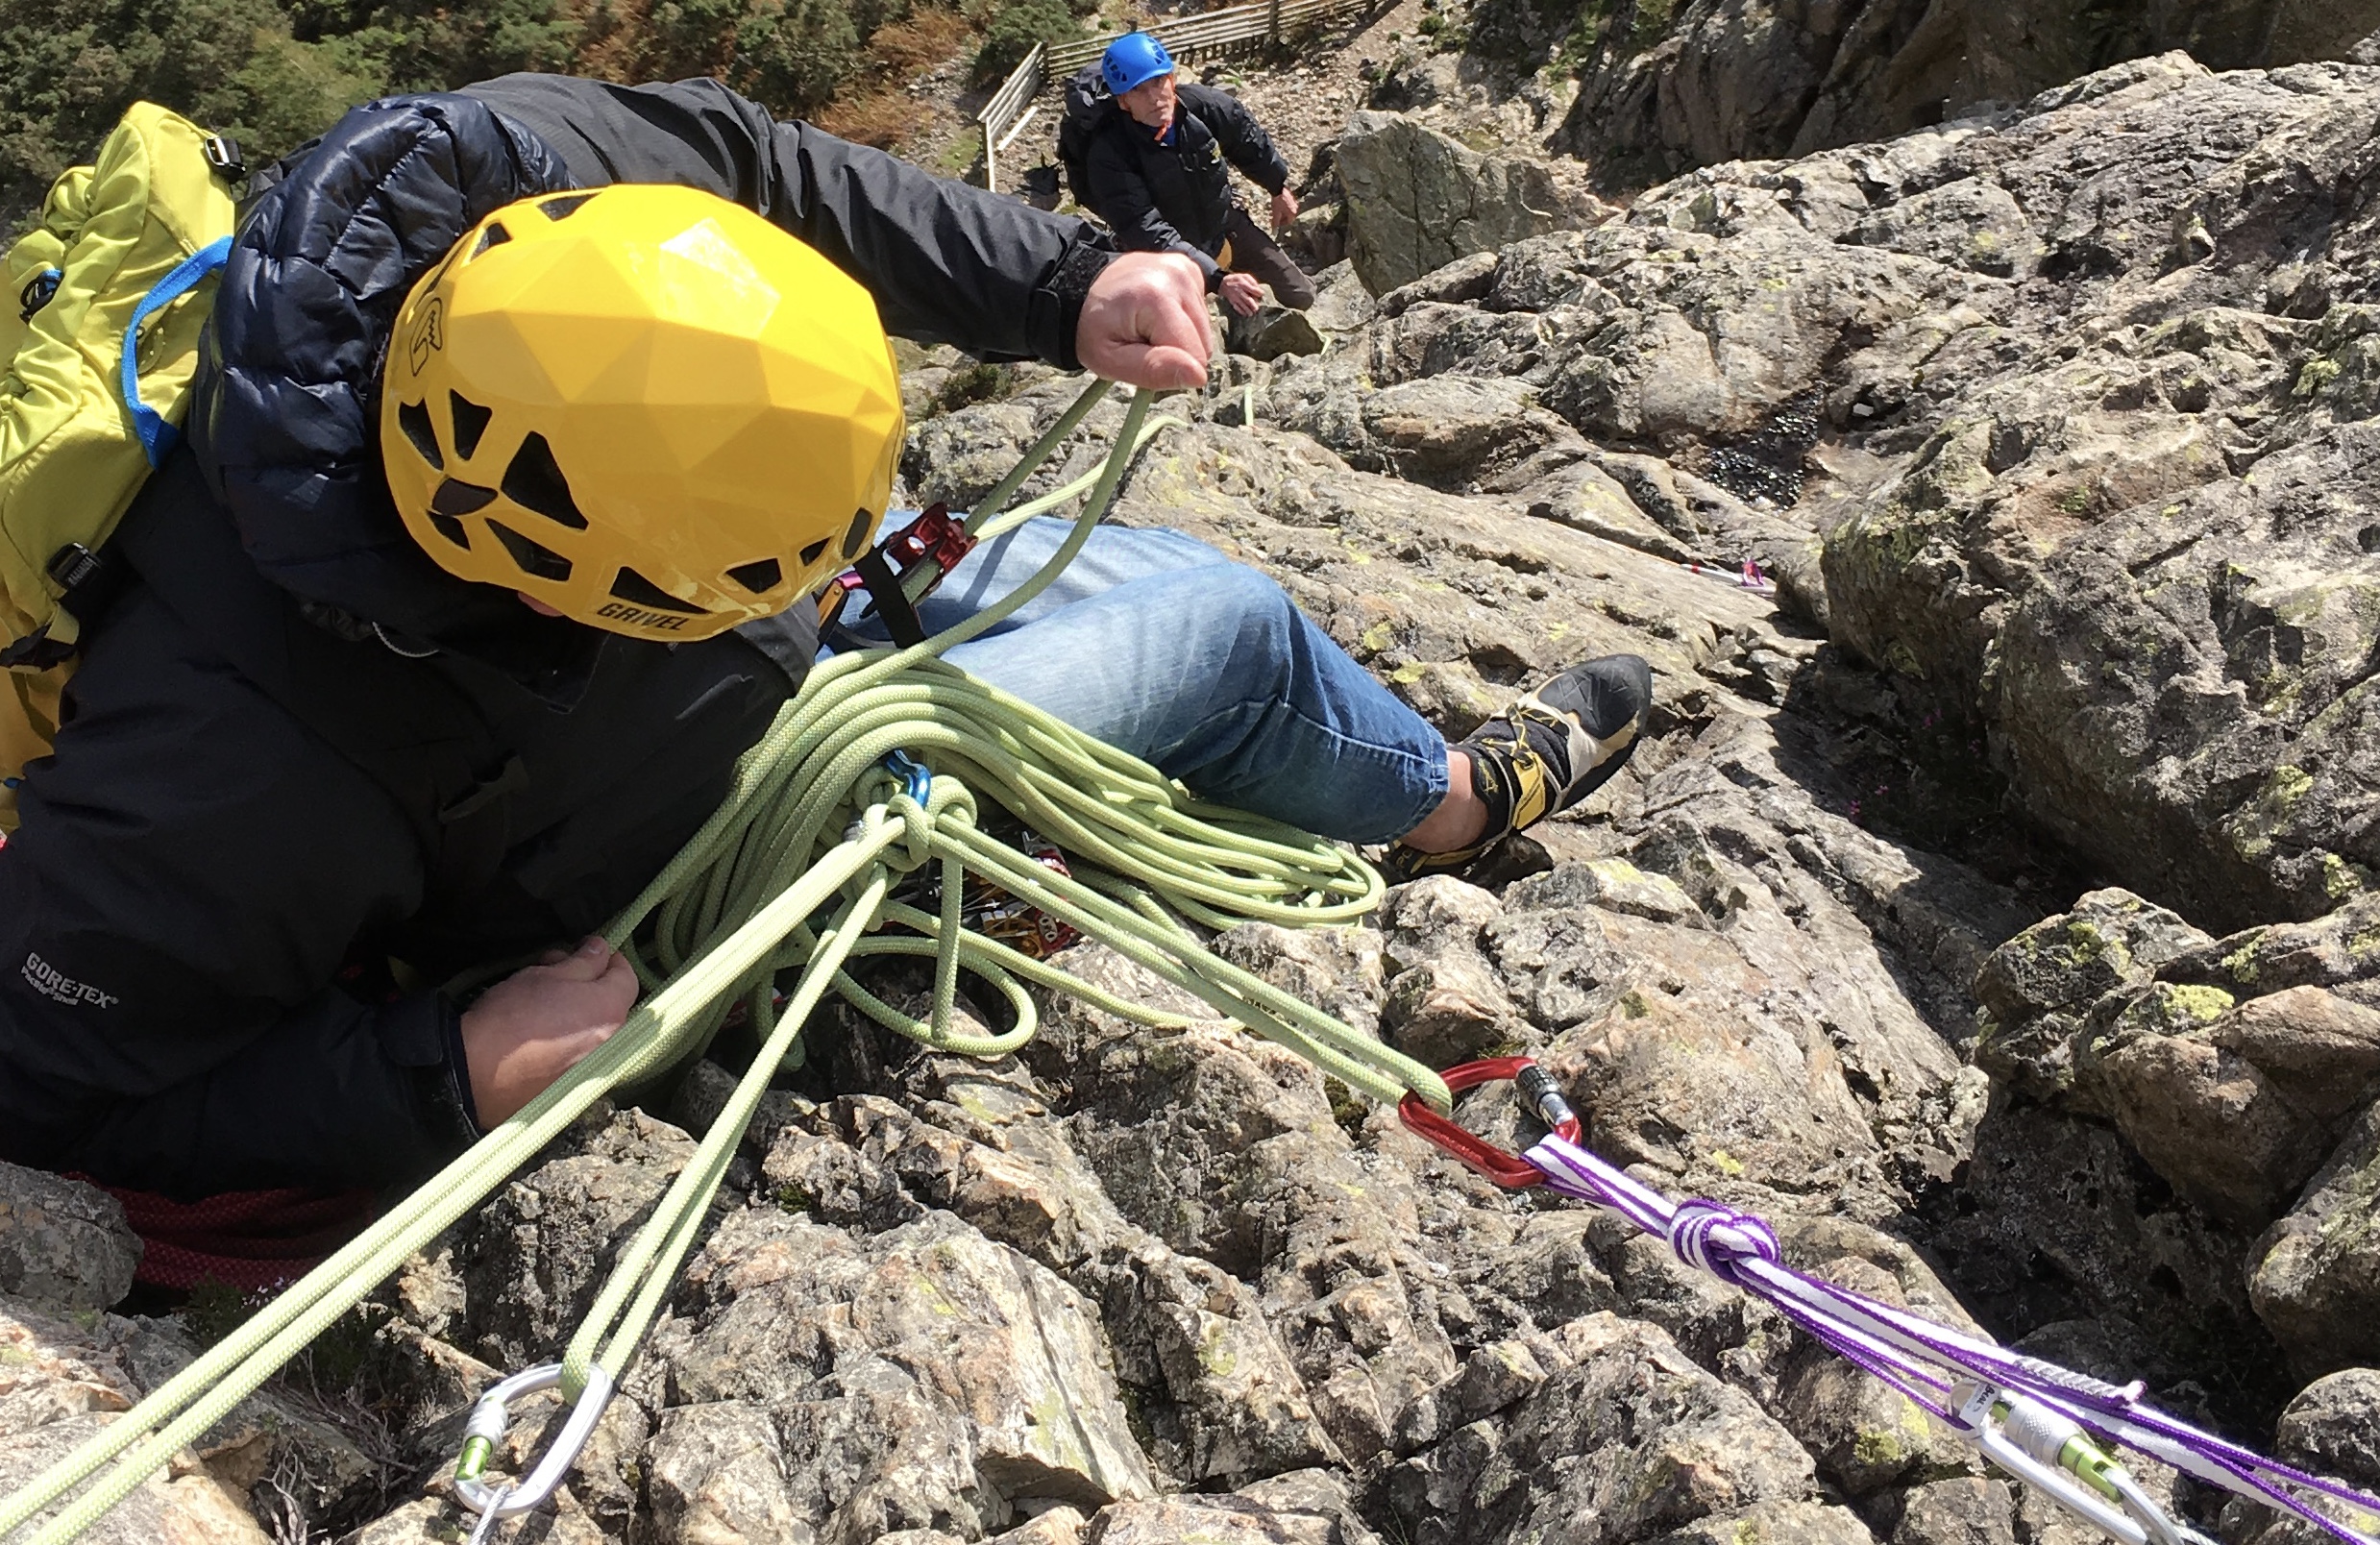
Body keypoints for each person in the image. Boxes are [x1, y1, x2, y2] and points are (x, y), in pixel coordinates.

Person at [0, 73, 1648, 1202]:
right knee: (1206, 619)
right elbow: (58, 1079)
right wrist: (447, 1063)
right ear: (589, 590)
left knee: (1125, 569)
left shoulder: (516, 164)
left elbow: (779, 176)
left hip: (718, 692)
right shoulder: (233, 760)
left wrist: (1055, 285)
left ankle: (1352, 771)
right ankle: (1445, 802)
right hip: (681, 836)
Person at [1077, 33, 1316, 318]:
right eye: (1139, 90)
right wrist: (1217, 278)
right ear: (1123, 101)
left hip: (1222, 226)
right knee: (1194, 339)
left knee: (1301, 296)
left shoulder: (1204, 109)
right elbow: (1145, 229)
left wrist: (1278, 187)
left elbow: (1246, 139)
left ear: (1171, 80)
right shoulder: (1110, 154)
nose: (1155, 98)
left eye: (1158, 82)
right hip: (1162, 259)